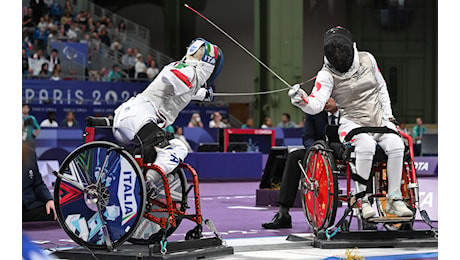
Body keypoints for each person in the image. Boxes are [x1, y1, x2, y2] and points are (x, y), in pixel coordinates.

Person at [288, 26, 412, 218]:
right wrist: (302, 100)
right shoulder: (326, 74)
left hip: (378, 119)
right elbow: (316, 104)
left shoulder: (367, 59)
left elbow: (381, 87)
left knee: (397, 145)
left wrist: (388, 117)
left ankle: (394, 200)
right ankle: (362, 200)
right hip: (352, 123)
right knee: (366, 145)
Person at [112, 38, 223, 188]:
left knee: (179, 147)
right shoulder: (185, 70)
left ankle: (154, 179)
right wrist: (186, 82)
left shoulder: (191, 76)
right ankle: (148, 182)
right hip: (137, 118)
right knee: (167, 152)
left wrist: (205, 94)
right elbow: (170, 76)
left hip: (135, 122)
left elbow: (191, 91)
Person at [262, 98, 338, 229]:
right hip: (318, 152)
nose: (326, 101)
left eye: (329, 97)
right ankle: (283, 214)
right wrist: (315, 152)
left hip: (342, 152)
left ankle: (365, 211)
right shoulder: (313, 111)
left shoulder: (349, 109)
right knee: (294, 157)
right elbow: (308, 137)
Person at [22, 142, 57, 222]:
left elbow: (38, 184)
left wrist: (49, 200)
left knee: (57, 213)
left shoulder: (29, 153)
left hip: (29, 206)